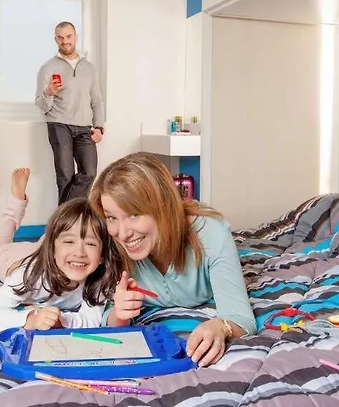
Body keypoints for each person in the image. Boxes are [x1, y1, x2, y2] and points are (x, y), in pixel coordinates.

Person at [89, 152, 256, 368]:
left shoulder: (211, 233)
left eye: (134, 214)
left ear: (164, 207)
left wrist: (220, 327)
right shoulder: (114, 244)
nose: (122, 233)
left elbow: (241, 318)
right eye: (112, 217)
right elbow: (107, 315)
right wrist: (120, 315)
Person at [0, 168, 120, 332]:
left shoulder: (99, 279)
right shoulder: (28, 276)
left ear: (102, 255)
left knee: (65, 239)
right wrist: (30, 320)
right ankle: (16, 201)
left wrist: (62, 320)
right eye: (69, 241)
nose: (80, 252)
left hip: (50, 253)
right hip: (12, 260)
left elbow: (91, 320)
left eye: (90, 244)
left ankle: (60, 240)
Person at [35, 21, 105, 205]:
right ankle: (69, 219)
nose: (65, 41)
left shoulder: (89, 68)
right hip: (59, 125)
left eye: (68, 36)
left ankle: (63, 216)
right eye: (60, 37)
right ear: (55, 40)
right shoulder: (47, 68)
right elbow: (41, 106)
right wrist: (49, 92)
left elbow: (97, 100)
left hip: (84, 127)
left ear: (75, 37)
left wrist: (99, 126)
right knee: (65, 177)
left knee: (89, 173)